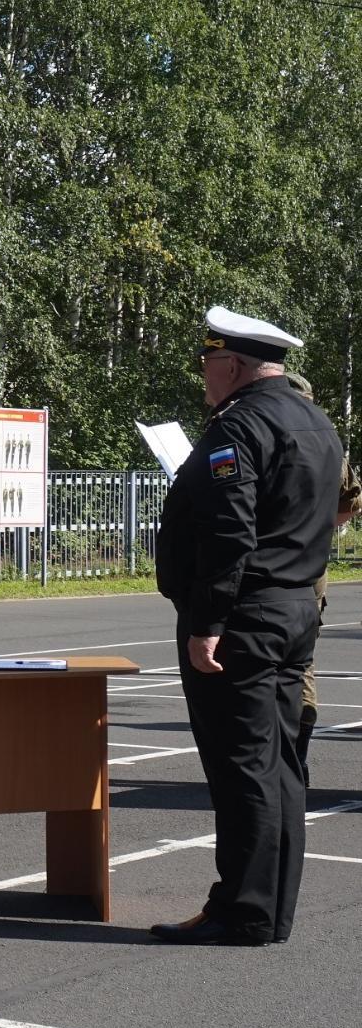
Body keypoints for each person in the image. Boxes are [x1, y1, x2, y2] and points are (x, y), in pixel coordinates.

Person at [152, 307, 343, 946]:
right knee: (282, 765)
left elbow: (231, 531)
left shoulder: (241, 424)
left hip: (245, 618)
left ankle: (243, 909)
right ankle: (268, 909)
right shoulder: (315, 421)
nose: (203, 375)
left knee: (243, 769)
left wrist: (208, 619)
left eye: (208, 362)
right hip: (294, 609)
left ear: (231, 364)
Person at [283, 373, 361, 784]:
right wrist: (317, 530)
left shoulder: (271, 436)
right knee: (301, 663)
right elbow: (351, 501)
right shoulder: (327, 439)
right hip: (310, 566)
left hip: (281, 569)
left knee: (286, 664)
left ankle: (287, 759)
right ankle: (296, 762)